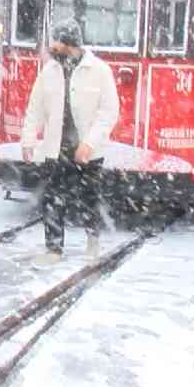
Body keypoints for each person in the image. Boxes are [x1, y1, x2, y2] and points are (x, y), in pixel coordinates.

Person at [19, 20, 120, 265]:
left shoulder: (99, 70)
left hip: (87, 150)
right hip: (56, 148)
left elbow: (109, 111)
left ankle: (92, 238)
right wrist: (28, 138)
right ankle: (54, 248)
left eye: (56, 41)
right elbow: (36, 107)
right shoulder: (49, 71)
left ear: (69, 43)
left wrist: (89, 143)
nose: (52, 46)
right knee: (52, 198)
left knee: (89, 197)